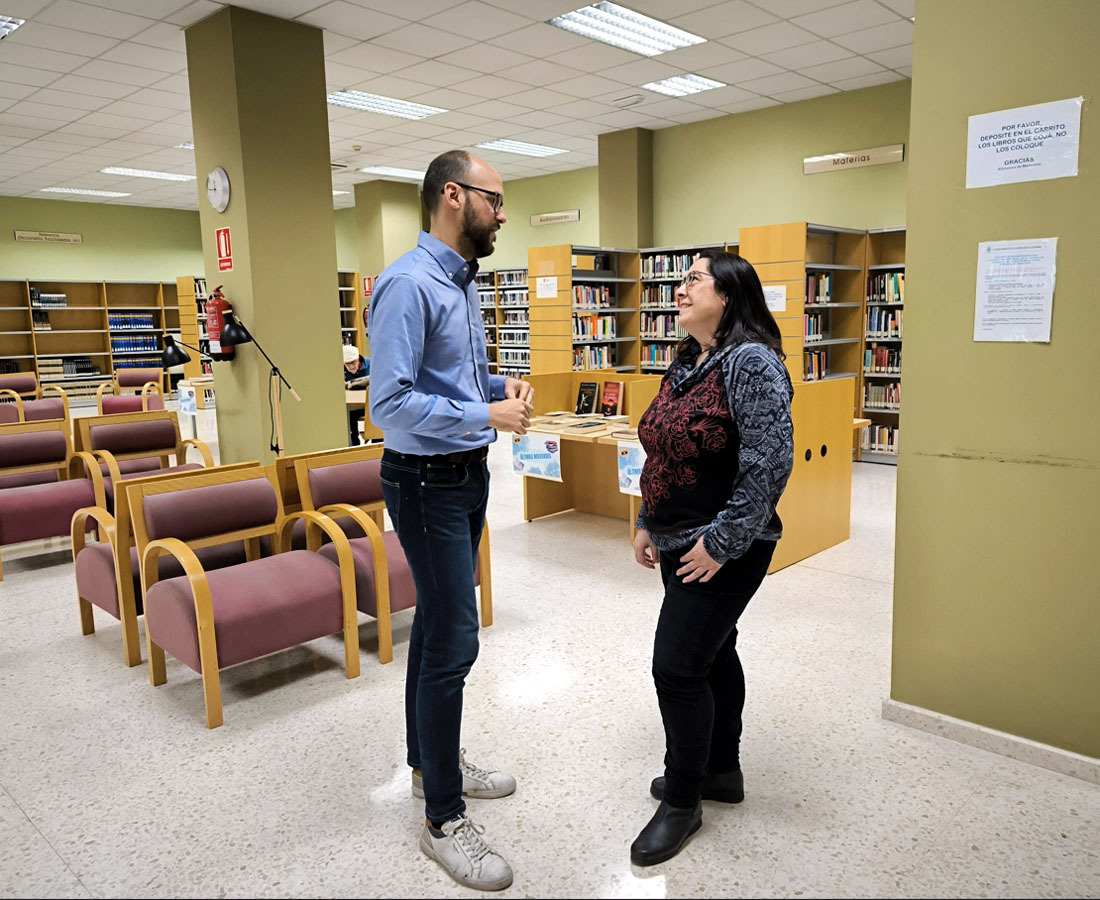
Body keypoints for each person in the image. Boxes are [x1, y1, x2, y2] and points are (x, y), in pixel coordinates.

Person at [368, 150, 534, 892]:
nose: (503, 214)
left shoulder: (460, 282)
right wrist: (485, 411)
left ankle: (427, 762)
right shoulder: (408, 283)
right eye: (495, 201)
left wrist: (497, 385)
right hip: (426, 482)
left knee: (436, 628)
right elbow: (389, 406)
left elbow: (451, 377)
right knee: (455, 643)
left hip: (464, 476)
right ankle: (443, 817)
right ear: (453, 196)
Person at [629, 251, 794, 867]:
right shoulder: (687, 361)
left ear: (729, 295)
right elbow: (661, 450)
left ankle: (684, 800)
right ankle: (723, 770)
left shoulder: (751, 363)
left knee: (676, 668)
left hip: (727, 548)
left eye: (694, 278)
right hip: (676, 541)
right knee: (714, 651)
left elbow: (769, 463)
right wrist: (647, 519)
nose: (680, 288)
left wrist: (721, 545)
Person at [343, 343, 370, 446]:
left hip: (370, 404)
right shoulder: (341, 370)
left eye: (353, 363)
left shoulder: (371, 364)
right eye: (347, 364)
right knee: (349, 417)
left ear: (358, 359)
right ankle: (354, 446)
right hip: (353, 407)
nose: (351, 367)